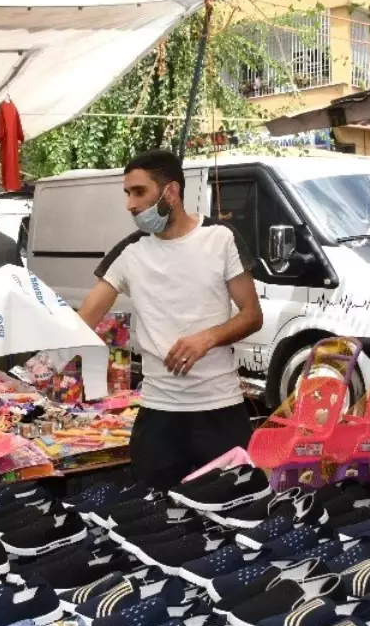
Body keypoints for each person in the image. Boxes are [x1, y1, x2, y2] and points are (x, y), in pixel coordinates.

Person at [78, 149, 263, 490]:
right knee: (155, 515)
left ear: (171, 192)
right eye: (127, 193)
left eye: (139, 192)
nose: (130, 205)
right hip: (159, 414)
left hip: (220, 409)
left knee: (232, 514)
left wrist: (207, 338)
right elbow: (85, 318)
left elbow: (252, 316)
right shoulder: (130, 251)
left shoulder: (221, 239)